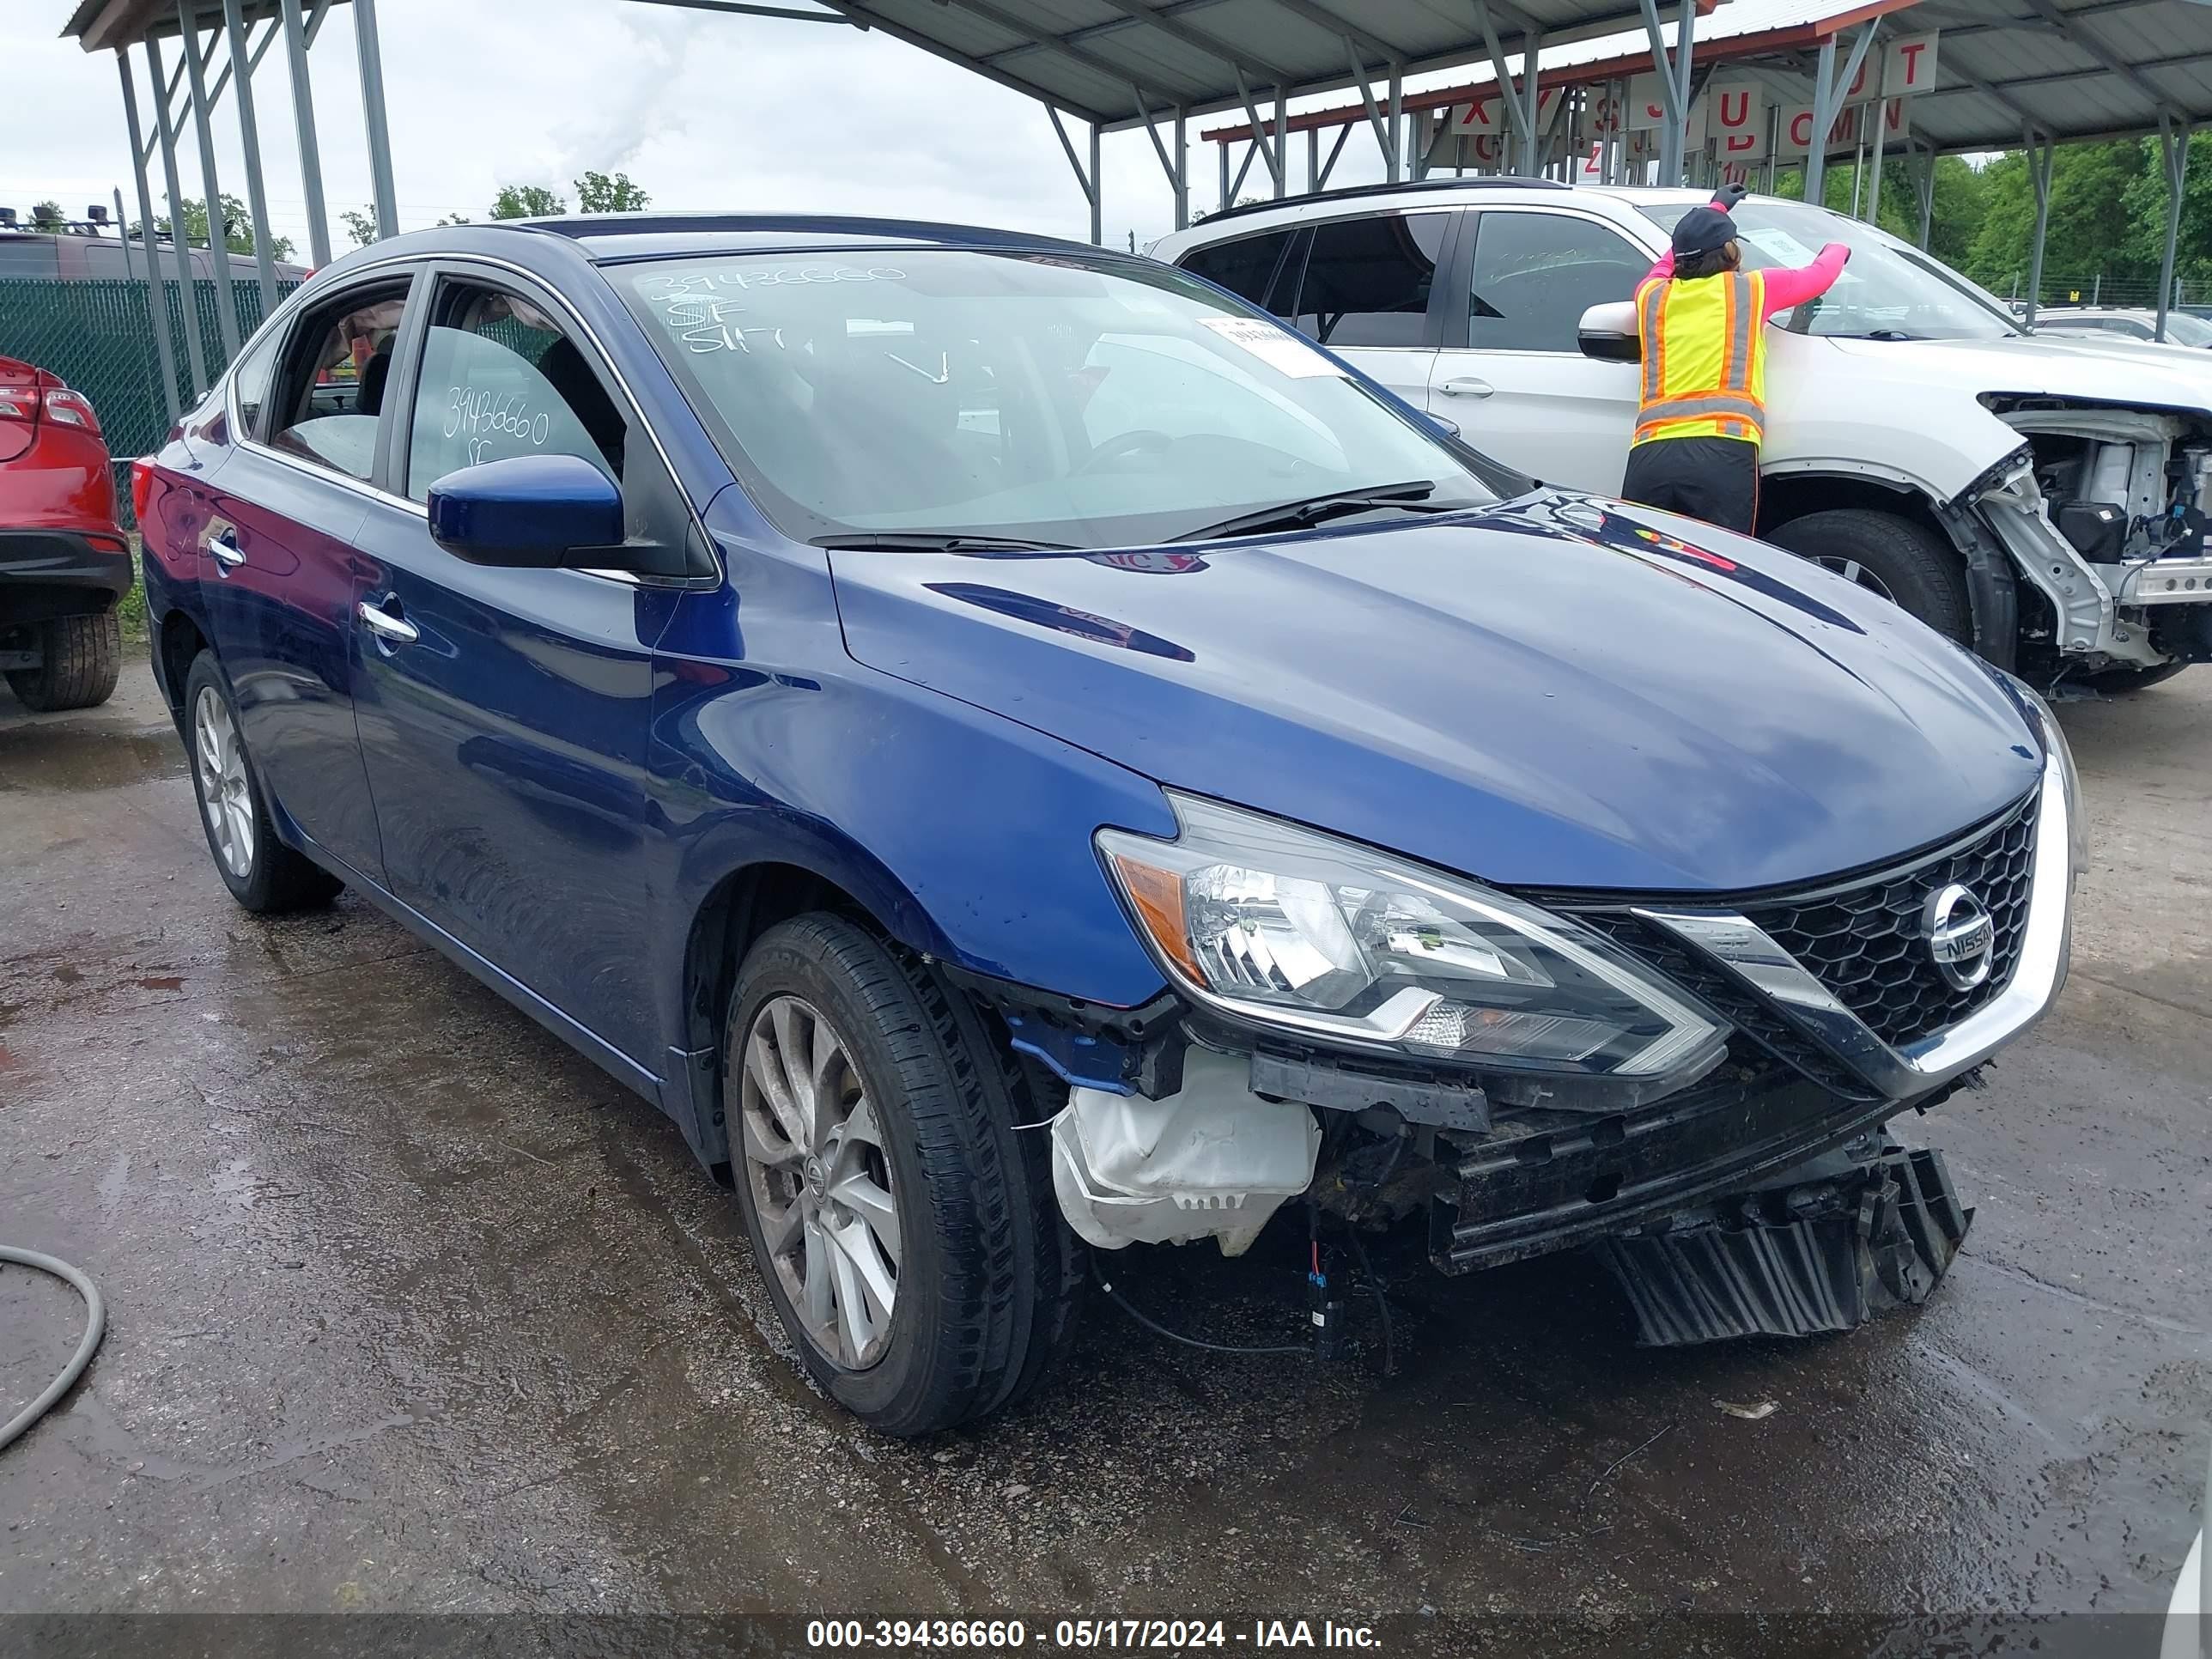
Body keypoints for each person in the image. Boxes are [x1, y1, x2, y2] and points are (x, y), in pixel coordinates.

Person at [1620, 182, 1850, 535]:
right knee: (1720, 571)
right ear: (1731, 251)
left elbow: (1667, 262)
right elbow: (1820, 275)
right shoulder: (1753, 289)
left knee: (1649, 573)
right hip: (1722, 454)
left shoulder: (1651, 296)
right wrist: (1839, 244)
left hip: (1651, 456)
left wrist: (1714, 211)